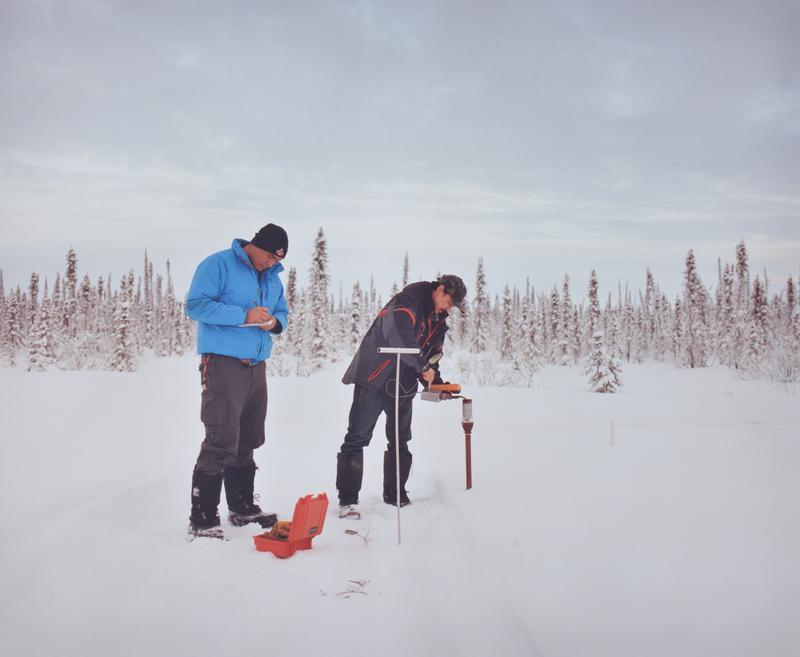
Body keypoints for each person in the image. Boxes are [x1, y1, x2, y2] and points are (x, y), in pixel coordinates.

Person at [185, 223, 289, 539]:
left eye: (277, 260)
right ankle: (202, 518)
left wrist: (274, 323)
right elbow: (196, 305)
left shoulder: (272, 279)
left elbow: (283, 312)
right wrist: (243, 315)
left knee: (248, 437)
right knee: (221, 436)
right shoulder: (218, 264)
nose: (271, 264)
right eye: (269, 256)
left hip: (256, 366)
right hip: (222, 362)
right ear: (255, 245)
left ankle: (242, 507)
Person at [336, 274, 467, 518]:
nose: (451, 308)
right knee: (357, 437)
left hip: (402, 384)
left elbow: (433, 355)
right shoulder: (410, 299)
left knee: (400, 439)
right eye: (450, 301)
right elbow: (399, 334)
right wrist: (422, 366)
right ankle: (348, 501)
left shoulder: (439, 321)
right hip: (374, 378)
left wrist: (434, 381)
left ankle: (395, 494)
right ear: (440, 289)